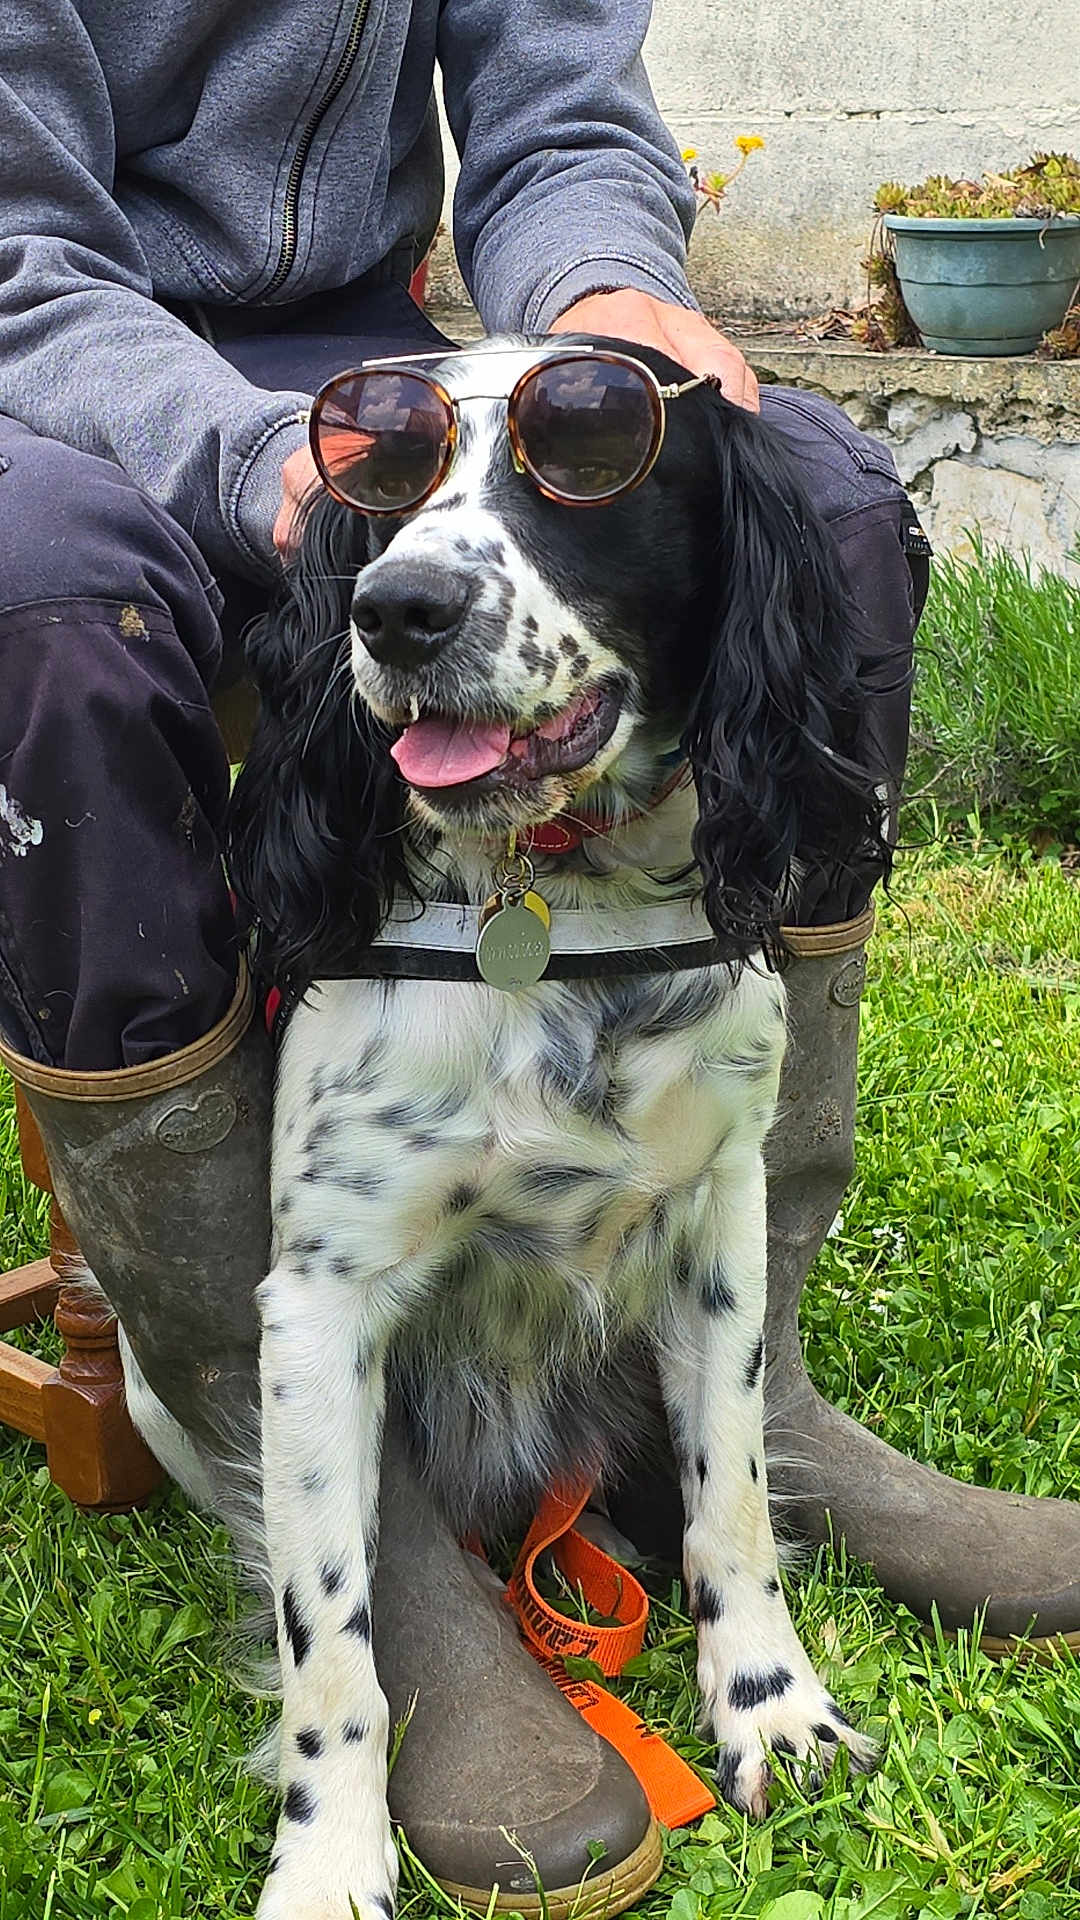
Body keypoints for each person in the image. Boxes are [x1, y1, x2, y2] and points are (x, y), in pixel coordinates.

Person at [1, 1, 1076, 1911]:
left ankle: (760, 1403)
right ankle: (352, 1523)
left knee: (820, 496)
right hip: (48, 365)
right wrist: (281, 463)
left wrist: (605, 302)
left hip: (396, 349)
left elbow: (561, 113)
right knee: (65, 626)